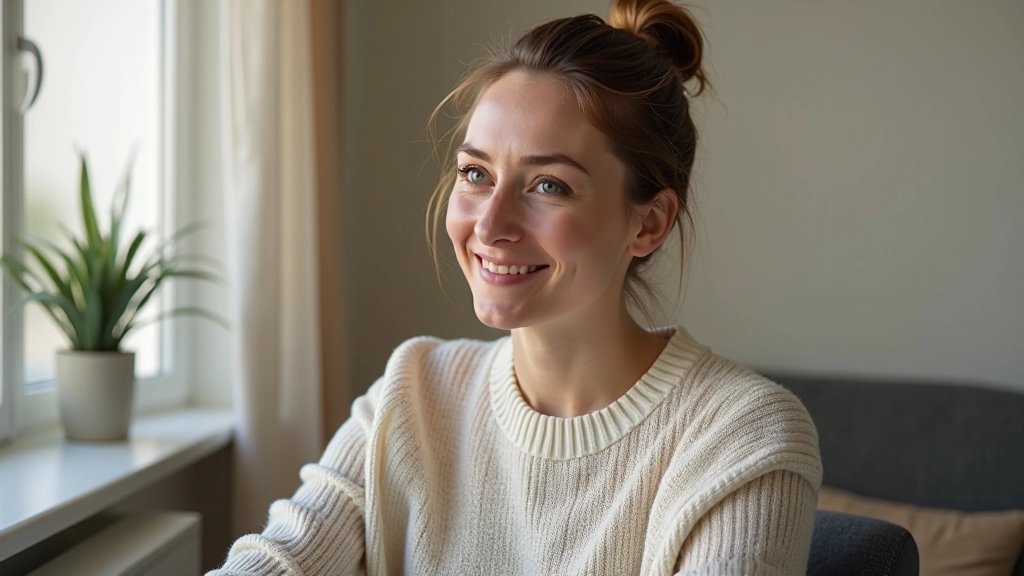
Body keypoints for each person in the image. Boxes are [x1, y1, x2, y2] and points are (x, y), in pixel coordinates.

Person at [208, 0, 822, 574]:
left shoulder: (741, 435)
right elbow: (283, 556)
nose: (491, 224)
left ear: (649, 222)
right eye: (476, 173)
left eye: (548, 184)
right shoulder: (415, 391)